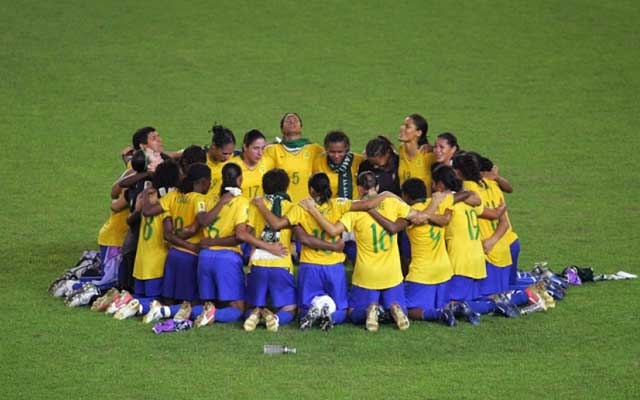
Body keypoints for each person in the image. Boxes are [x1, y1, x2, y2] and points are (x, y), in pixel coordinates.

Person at [253, 172, 395, 330]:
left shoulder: (301, 207)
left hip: (310, 266)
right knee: (342, 311)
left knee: (303, 311)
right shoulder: (339, 204)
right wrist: (385, 194)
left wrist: (261, 205)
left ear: (311, 190)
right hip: (334, 266)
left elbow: (276, 224)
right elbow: (368, 205)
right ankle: (329, 314)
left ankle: (316, 310)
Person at [300, 172, 415, 331]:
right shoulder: (393, 204)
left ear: (359, 188)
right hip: (392, 274)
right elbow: (417, 216)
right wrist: (390, 195)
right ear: (377, 187)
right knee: (404, 311)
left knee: (353, 313)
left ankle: (372, 309)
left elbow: (333, 231)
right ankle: (392, 309)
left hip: (366, 275)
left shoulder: (355, 210)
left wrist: (314, 211)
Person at [193, 163, 287, 328]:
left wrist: (211, 241)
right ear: (240, 179)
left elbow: (203, 221)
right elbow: (239, 236)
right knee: (238, 309)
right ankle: (214, 314)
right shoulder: (243, 203)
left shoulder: (207, 198)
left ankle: (171, 311)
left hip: (205, 257)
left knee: (206, 302)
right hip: (227, 259)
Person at [243, 169, 298, 332]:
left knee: (251, 303)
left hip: (258, 262)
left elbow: (248, 234)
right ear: (286, 188)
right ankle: (275, 318)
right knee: (290, 307)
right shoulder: (291, 207)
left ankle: (255, 312)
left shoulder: (255, 206)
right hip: (281, 262)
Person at [264, 112, 324, 203]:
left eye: (295, 120)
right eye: (288, 120)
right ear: (281, 129)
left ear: (301, 127)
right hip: (283, 204)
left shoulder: (315, 149)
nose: (292, 122)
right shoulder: (272, 150)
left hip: (307, 206)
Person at [312, 130, 364, 200]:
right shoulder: (318, 161)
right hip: (330, 207)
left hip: (354, 207)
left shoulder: (358, 160)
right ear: (326, 149)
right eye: (332, 152)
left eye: (340, 152)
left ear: (347, 148)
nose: (336, 156)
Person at [398, 114, 437, 196]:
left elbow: (452, 155)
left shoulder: (427, 154)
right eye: (403, 125)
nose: (402, 128)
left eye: (407, 127)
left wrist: (434, 148)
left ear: (418, 133)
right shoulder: (401, 150)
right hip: (404, 205)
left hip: (423, 205)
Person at [231, 129, 274, 199]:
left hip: (260, 209)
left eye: (263, 148)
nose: (260, 153)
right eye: (256, 148)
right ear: (245, 147)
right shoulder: (233, 167)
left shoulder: (267, 162)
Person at [206, 124, 237, 202]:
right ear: (213, 146)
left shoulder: (234, 157)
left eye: (230, 153)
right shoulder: (201, 161)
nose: (227, 157)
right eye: (225, 153)